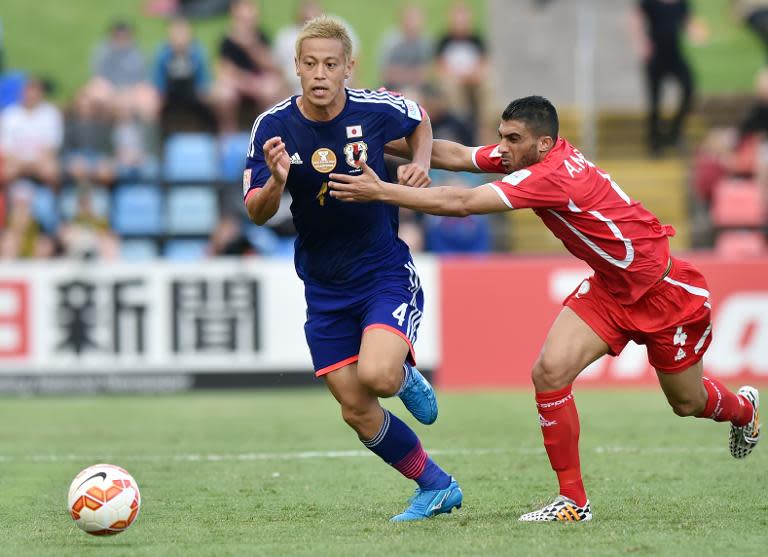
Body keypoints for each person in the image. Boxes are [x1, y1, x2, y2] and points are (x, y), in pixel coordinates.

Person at [329, 95, 761, 522]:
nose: (502, 147)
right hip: (611, 290)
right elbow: (457, 154)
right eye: (501, 136)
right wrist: (373, 140)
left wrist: (382, 191)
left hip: (664, 294)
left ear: (543, 143)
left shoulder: (550, 176)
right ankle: (573, 500)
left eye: (512, 139)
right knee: (549, 373)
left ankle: (743, 410)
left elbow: (461, 203)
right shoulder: (528, 157)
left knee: (687, 401)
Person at [243, 15, 463, 522]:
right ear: (295, 67)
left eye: (331, 64)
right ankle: (435, 486)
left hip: (381, 271)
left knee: (379, 376)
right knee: (355, 408)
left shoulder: (375, 109)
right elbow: (256, 211)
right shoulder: (272, 127)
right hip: (322, 285)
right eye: (310, 64)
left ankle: (403, 374)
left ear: (348, 68)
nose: (320, 74)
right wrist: (276, 182)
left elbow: (419, 118)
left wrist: (422, 163)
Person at [630, 0, 706, 156]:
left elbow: (689, 22)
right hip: (656, 56)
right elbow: (635, 20)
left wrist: (696, 32)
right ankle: (654, 142)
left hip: (674, 55)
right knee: (655, 100)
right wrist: (641, 43)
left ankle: (674, 133)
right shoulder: (650, 3)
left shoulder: (681, 4)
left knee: (689, 87)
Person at [211, 0, 285, 132]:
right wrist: (244, 82)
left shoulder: (261, 36)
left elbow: (272, 67)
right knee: (224, 94)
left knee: (272, 88)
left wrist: (250, 46)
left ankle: (266, 129)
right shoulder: (227, 40)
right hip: (238, 82)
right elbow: (223, 70)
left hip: (258, 80)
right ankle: (228, 132)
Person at [0, 77, 63, 188]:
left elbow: (52, 146)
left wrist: (33, 164)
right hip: (15, 160)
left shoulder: (50, 113)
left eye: (35, 91)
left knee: (51, 171)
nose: (31, 95)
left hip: (41, 160)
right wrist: (22, 163)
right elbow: (6, 147)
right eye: (28, 90)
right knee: (6, 171)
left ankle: (50, 198)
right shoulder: (9, 114)